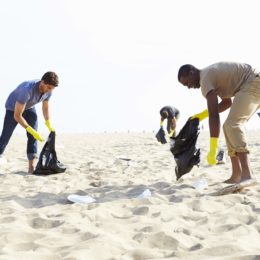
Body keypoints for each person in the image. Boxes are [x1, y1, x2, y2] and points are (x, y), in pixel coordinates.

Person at [178, 62, 260, 184]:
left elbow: (214, 116)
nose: (189, 87)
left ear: (191, 73)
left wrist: (213, 147)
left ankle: (248, 175)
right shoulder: (210, 77)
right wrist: (202, 115)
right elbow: (227, 103)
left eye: (187, 83)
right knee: (227, 127)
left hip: (252, 83)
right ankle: (236, 175)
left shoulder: (205, 79)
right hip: (250, 84)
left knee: (232, 125)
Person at [0, 72, 59, 173]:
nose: (50, 90)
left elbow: (45, 107)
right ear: (42, 82)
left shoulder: (49, 91)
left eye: (52, 88)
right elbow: (17, 116)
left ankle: (31, 168)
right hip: (13, 109)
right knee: (6, 136)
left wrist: (48, 122)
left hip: (29, 108)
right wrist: (30, 129)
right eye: (48, 87)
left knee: (33, 137)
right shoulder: (26, 90)